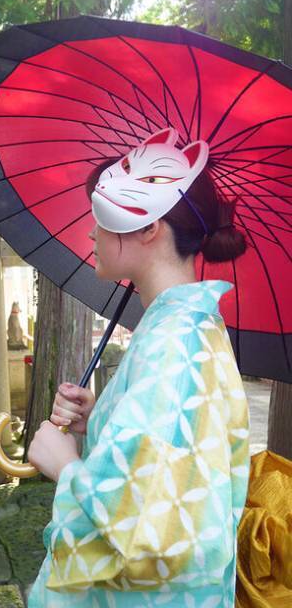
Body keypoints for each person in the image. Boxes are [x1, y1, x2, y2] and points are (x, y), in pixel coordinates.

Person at [27, 127, 250, 608]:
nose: (91, 231)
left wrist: (66, 467)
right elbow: (163, 461)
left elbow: (150, 529)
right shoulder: (182, 327)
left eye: (101, 216)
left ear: (150, 227)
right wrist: (101, 417)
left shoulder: (175, 341)